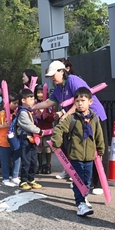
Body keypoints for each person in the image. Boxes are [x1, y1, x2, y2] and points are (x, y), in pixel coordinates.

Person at [33, 60, 107, 191]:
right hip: (78, 120)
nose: (52, 78)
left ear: (62, 71)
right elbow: (48, 102)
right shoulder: (58, 88)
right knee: (81, 149)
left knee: (96, 148)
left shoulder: (73, 80)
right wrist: (32, 107)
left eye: (53, 74)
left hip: (94, 116)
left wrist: (66, 115)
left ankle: (99, 183)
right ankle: (85, 181)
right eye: (50, 76)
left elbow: (78, 101)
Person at [51, 87, 105, 216]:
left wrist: (101, 151)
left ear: (90, 102)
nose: (80, 103)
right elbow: (59, 128)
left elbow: (99, 135)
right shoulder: (71, 118)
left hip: (90, 157)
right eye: (77, 101)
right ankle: (80, 204)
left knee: (86, 181)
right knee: (78, 180)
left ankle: (83, 198)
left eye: (83, 100)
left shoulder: (94, 118)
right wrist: (56, 142)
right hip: (75, 156)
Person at [15, 88, 44, 190]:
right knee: (26, 161)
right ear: (23, 100)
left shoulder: (29, 111)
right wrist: (39, 131)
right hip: (25, 139)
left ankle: (31, 179)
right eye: (30, 99)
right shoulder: (22, 112)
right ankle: (23, 180)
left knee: (33, 161)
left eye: (33, 99)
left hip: (32, 139)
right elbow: (28, 125)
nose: (33, 101)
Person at [0, 91, 21, 187]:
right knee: (5, 161)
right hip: (4, 141)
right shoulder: (0, 113)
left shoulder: (17, 113)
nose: (16, 105)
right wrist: (3, 125)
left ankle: (15, 176)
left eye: (17, 103)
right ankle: (5, 178)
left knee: (17, 159)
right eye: (14, 103)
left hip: (15, 141)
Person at [34, 85, 54, 174]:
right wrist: (36, 116)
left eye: (42, 92)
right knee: (39, 148)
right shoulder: (34, 104)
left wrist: (48, 116)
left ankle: (48, 166)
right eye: (38, 92)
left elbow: (53, 116)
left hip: (47, 129)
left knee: (47, 148)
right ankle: (40, 166)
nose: (40, 94)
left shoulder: (49, 104)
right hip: (37, 130)